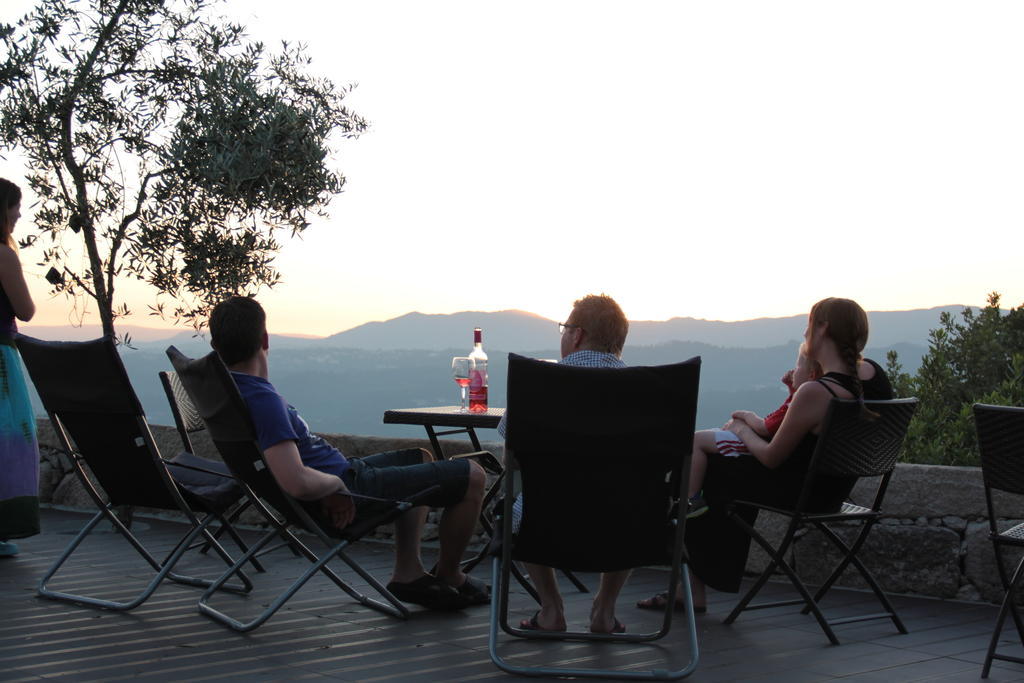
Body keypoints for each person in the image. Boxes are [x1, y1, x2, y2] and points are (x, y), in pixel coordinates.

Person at [208, 295, 488, 610]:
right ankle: (451, 574)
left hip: (345, 477)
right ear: (265, 339)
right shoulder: (262, 400)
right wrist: (336, 486)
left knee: (420, 457)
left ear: (216, 346)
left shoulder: (228, 391)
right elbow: (295, 480)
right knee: (473, 476)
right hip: (347, 489)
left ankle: (408, 572)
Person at [638, 297, 893, 613]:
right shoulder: (874, 377)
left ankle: (690, 586)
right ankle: (694, 581)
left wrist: (742, 430)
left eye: (809, 324)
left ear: (823, 328)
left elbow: (772, 457)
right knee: (714, 475)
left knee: (702, 472)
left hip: (801, 494)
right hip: (833, 491)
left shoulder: (816, 392)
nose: (804, 332)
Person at [499, 293, 633, 634]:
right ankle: (604, 611)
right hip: (628, 523)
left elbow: (511, 455)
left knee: (520, 503)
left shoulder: (537, 385)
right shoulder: (647, 392)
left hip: (544, 521)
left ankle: (551, 609)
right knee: (634, 507)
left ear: (576, 335)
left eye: (564, 328)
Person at [685, 342, 823, 515]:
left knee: (696, 440)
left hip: (758, 444)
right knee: (708, 435)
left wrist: (744, 416)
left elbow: (765, 427)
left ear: (810, 375)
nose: (793, 370)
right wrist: (792, 387)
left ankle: (692, 499)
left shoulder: (802, 400)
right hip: (764, 444)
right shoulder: (807, 399)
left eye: (797, 366)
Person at [0, 178, 38, 557]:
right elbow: (25, 311)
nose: (19, 214)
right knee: (7, 443)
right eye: (15, 206)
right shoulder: (3, 254)